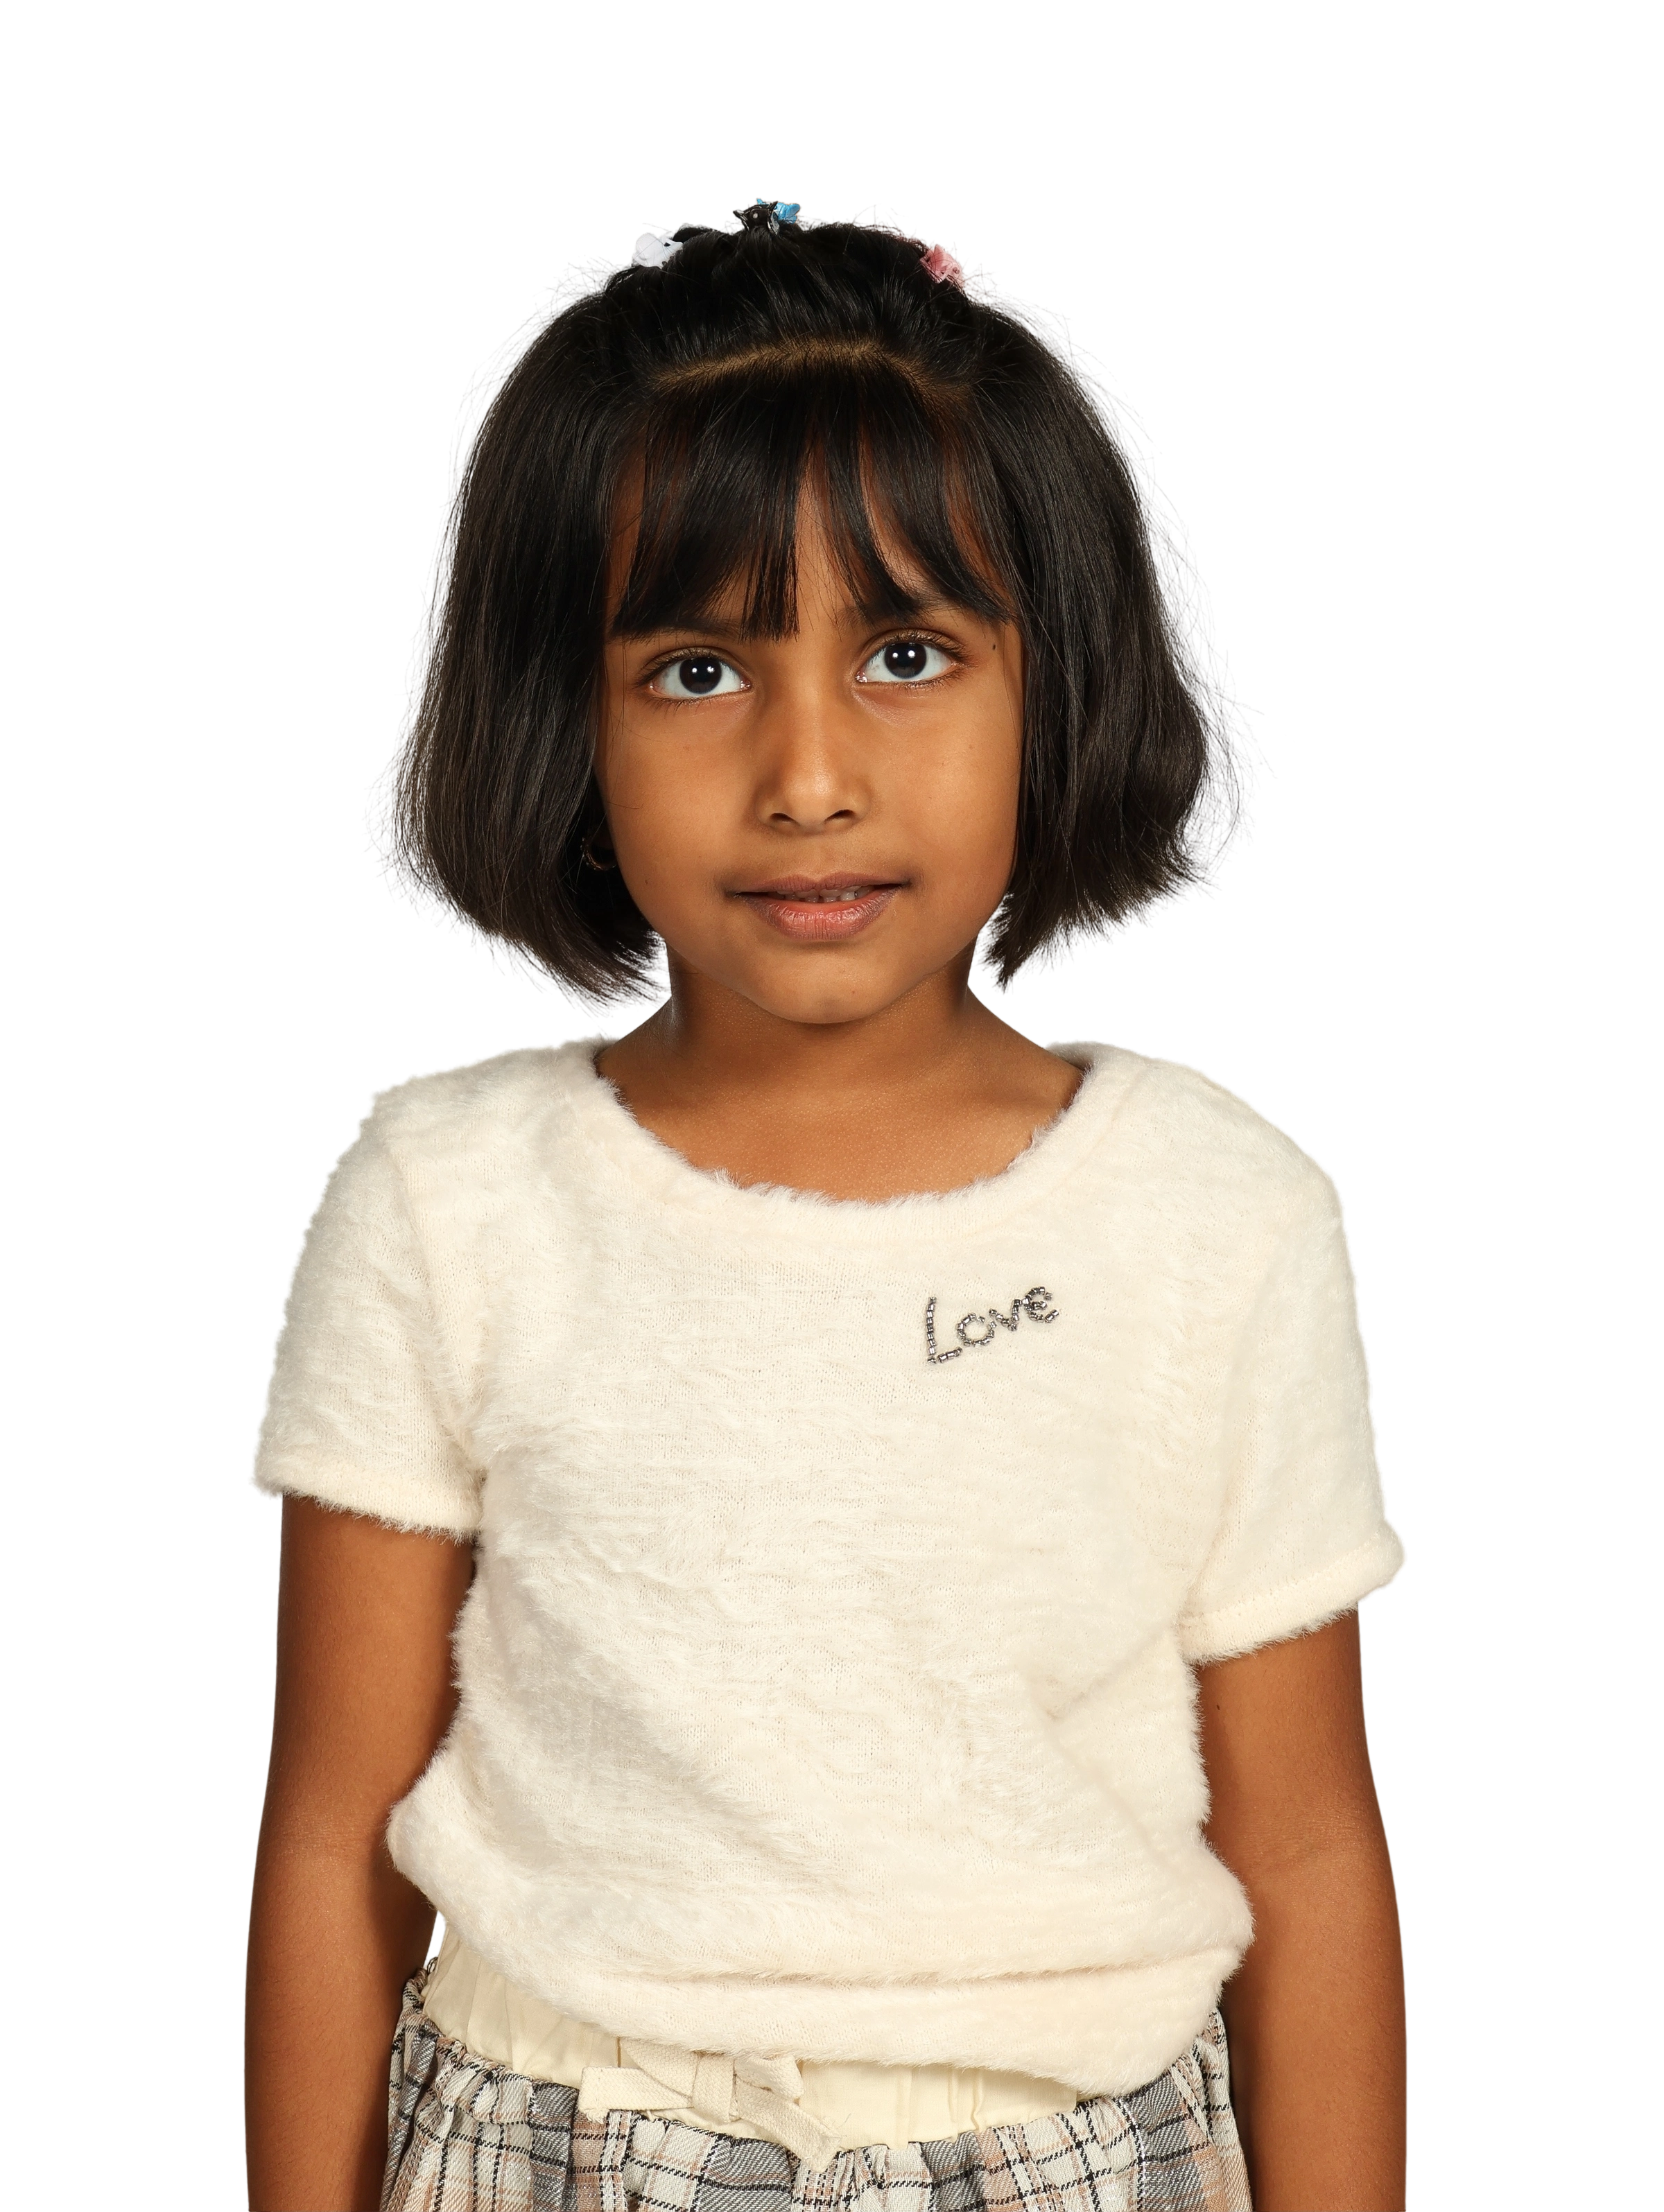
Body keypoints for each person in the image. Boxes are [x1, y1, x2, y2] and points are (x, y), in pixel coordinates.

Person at [244, 201, 1409, 2212]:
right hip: (553, 2141)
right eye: (697, 668)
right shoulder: (448, 1198)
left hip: (1078, 2153)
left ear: (1059, 684)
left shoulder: (1217, 1216)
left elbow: (1307, 1852)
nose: (807, 777)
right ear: (561, 714)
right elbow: (335, 1830)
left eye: (907, 655)